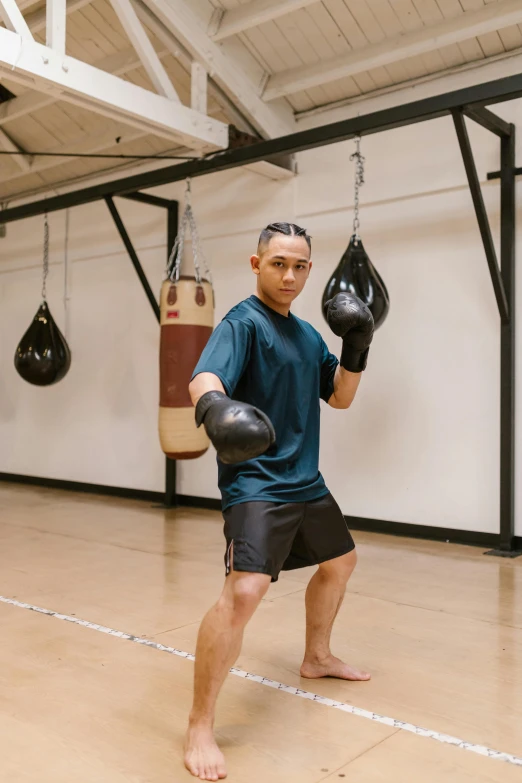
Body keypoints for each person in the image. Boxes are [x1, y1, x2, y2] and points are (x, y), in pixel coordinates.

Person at [184, 222, 374, 781]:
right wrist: (215, 408)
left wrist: (357, 344)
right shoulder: (242, 323)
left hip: (304, 479)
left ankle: (316, 657)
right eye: (278, 264)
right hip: (256, 484)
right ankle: (200, 724)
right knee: (244, 591)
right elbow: (204, 376)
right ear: (256, 263)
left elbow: (338, 397)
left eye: (300, 266)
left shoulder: (309, 334)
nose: (289, 275)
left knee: (340, 563)